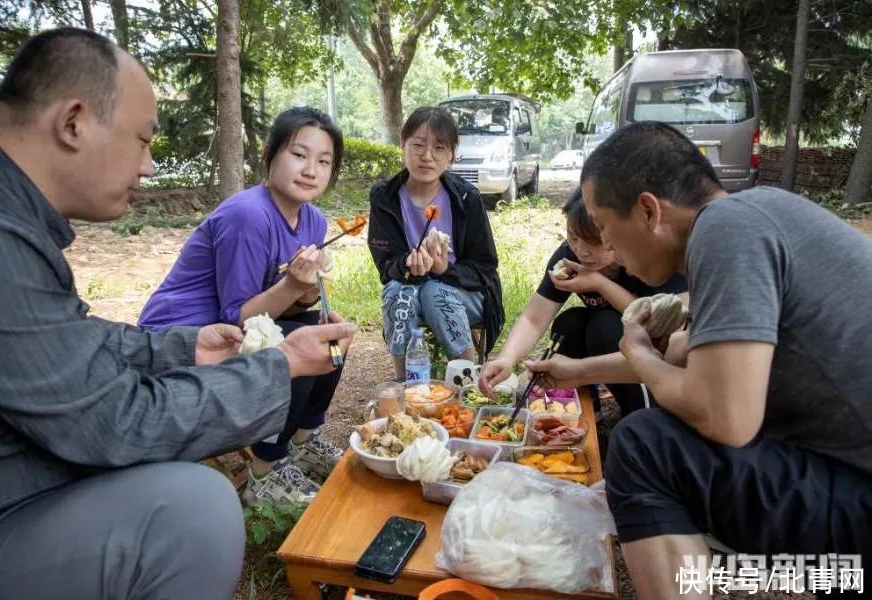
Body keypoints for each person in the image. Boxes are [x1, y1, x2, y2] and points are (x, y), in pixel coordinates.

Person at [0, 28, 357, 600]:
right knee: (196, 510)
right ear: (73, 121)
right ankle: (268, 467)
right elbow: (111, 422)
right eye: (144, 141)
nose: (150, 167)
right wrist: (274, 368)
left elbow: (61, 340)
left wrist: (183, 350)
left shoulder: (4, 210)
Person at [530, 121, 872, 598]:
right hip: (844, 480)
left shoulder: (727, 230)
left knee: (643, 446)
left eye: (607, 230)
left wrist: (639, 352)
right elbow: (687, 366)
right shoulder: (757, 214)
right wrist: (575, 370)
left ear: (649, 210)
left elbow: (725, 416)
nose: (610, 251)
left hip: (857, 500)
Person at [139, 107, 345, 504]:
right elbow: (239, 315)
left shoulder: (315, 221)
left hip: (241, 324)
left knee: (333, 339)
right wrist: (293, 286)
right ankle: (265, 471)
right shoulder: (247, 215)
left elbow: (287, 301)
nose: (310, 170)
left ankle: (303, 441)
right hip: (182, 335)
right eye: (299, 155)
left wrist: (306, 294)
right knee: (296, 346)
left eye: (324, 161)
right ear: (269, 154)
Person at [478, 187, 687, 417]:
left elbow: (665, 324)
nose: (581, 251)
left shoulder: (646, 255)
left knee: (604, 325)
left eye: (593, 241)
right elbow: (534, 317)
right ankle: (587, 408)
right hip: (613, 342)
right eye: (574, 237)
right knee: (569, 324)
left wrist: (600, 284)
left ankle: (642, 412)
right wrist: (507, 359)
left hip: (653, 350)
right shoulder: (568, 257)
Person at [367, 106, 504, 380]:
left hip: (466, 294)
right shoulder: (385, 197)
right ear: (402, 144)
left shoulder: (466, 197)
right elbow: (386, 264)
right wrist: (407, 266)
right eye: (417, 145)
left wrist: (444, 270)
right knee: (400, 293)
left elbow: (485, 267)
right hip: (410, 289)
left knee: (434, 291)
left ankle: (468, 379)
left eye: (439, 147)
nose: (427, 156)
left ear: (452, 154)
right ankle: (405, 381)